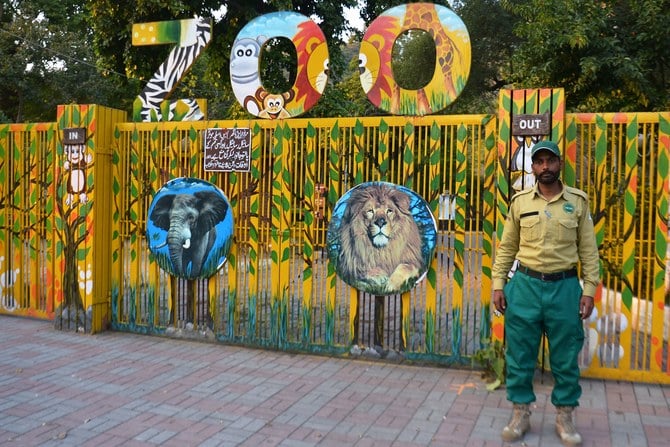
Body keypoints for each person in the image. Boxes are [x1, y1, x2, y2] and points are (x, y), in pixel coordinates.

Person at [492, 140, 600, 446]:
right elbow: (507, 247)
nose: (545, 167)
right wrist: (499, 284)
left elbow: (589, 251)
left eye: (550, 161)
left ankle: (565, 417)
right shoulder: (521, 202)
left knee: (565, 357)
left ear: (559, 164)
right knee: (519, 355)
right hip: (524, 286)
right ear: (533, 167)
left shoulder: (578, 202)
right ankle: (520, 413)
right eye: (539, 162)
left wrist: (589, 289)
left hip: (564, 288)